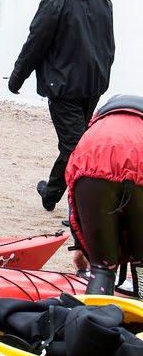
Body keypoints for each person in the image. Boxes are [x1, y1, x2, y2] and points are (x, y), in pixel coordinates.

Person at [7, 0, 114, 212]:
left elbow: (36, 42)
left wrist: (16, 78)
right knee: (76, 144)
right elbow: (109, 47)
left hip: (64, 88)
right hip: (93, 84)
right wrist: (102, 76)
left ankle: (82, 211)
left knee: (77, 149)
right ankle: (51, 193)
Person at [65, 96, 143, 297]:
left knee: (101, 268)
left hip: (93, 156)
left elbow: (73, 202)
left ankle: (95, 321)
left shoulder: (99, 122)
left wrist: (80, 245)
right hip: (138, 158)